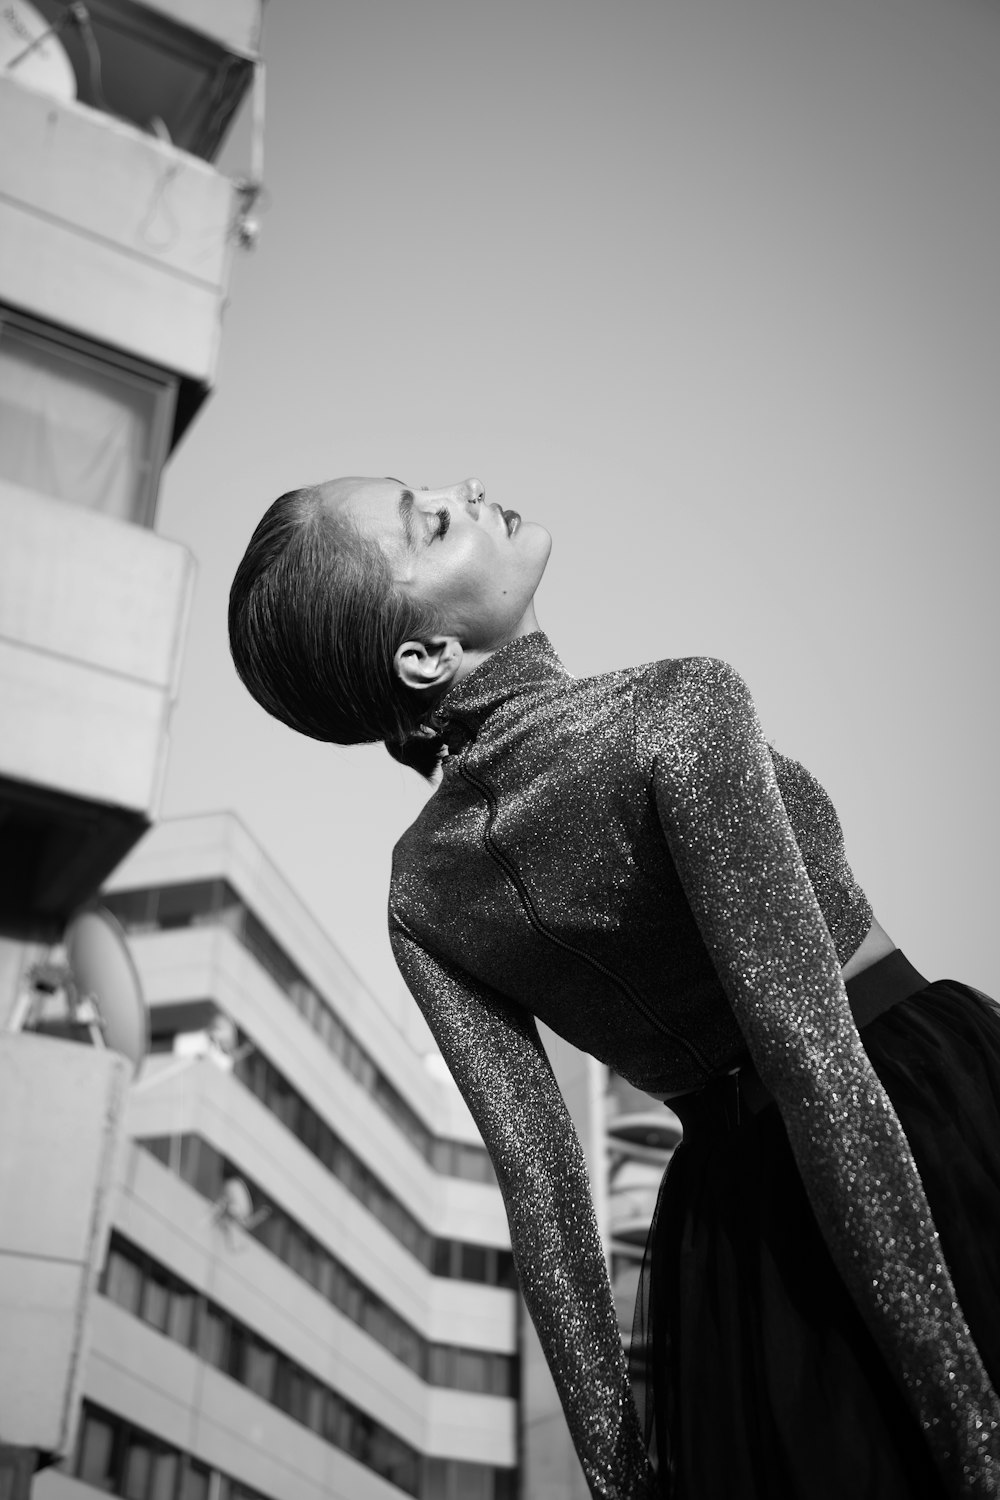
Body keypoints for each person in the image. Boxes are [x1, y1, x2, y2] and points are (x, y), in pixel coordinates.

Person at [228, 475, 1000, 1499]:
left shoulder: (417, 888)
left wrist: (617, 1478)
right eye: (429, 519)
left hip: (731, 1241)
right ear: (425, 655)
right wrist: (969, 1421)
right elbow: (811, 1061)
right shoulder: (674, 705)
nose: (462, 488)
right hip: (910, 1116)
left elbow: (542, 1195)